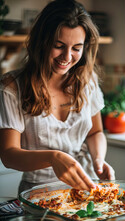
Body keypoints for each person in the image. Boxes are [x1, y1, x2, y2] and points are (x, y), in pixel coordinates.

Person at [0, 0, 115, 194]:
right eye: (58, 45)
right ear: (41, 42)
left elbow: (95, 133)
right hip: (38, 193)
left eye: (76, 48)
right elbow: (9, 155)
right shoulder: (12, 86)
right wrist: (54, 157)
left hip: (87, 187)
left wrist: (98, 159)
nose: (67, 57)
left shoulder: (88, 80)